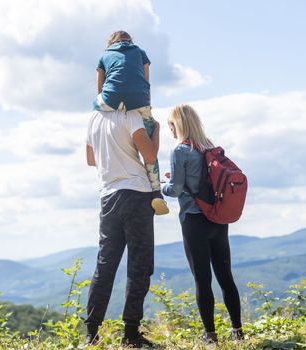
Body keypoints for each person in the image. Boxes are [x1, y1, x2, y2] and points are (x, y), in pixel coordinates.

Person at [162, 104, 244, 343]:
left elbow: (176, 190)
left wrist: (161, 186)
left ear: (176, 125)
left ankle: (211, 336)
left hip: (194, 220)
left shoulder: (180, 151)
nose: (169, 129)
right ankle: (238, 331)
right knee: (225, 277)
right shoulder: (208, 146)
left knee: (202, 280)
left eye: (170, 125)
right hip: (218, 219)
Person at [84, 108, 158, 348]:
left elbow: (91, 159)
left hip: (107, 196)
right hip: (136, 194)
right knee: (139, 264)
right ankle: (131, 333)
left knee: (105, 265)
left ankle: (91, 334)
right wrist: (155, 130)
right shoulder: (131, 115)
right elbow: (150, 155)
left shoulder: (94, 118)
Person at [93, 30, 169, 216]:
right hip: (140, 99)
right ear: (130, 41)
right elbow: (146, 81)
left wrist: (104, 109)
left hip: (110, 99)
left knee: (95, 106)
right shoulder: (140, 52)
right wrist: (147, 113)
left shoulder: (104, 56)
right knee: (149, 148)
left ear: (111, 42)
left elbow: (99, 89)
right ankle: (157, 193)